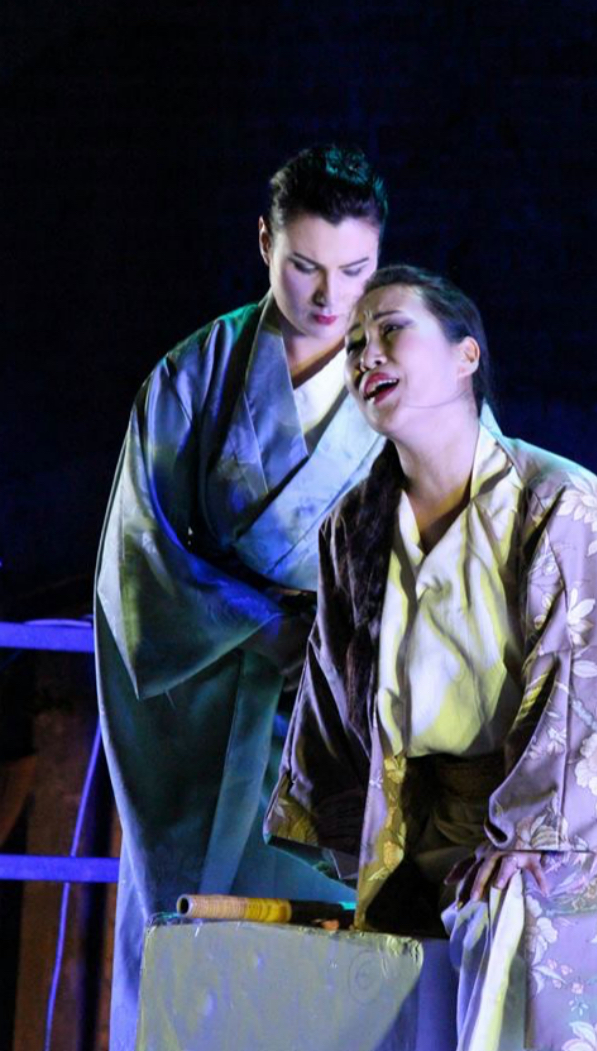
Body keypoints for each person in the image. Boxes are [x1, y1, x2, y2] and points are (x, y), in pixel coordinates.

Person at [265, 265, 597, 1051]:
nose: (366, 355)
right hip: (430, 833)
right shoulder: (352, 531)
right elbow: (331, 708)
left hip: (584, 838)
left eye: (390, 330)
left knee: (515, 923)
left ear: (466, 356)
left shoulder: (558, 503)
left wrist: (528, 832)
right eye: (354, 344)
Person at [95, 144, 388, 1051]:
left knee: (330, 969)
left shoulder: (406, 374)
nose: (329, 297)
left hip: (339, 719)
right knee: (194, 948)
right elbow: (139, 555)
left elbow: (464, 535)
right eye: (304, 266)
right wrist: (263, 629)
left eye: (355, 271)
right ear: (265, 243)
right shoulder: (193, 378)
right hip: (211, 704)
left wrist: (351, 650)